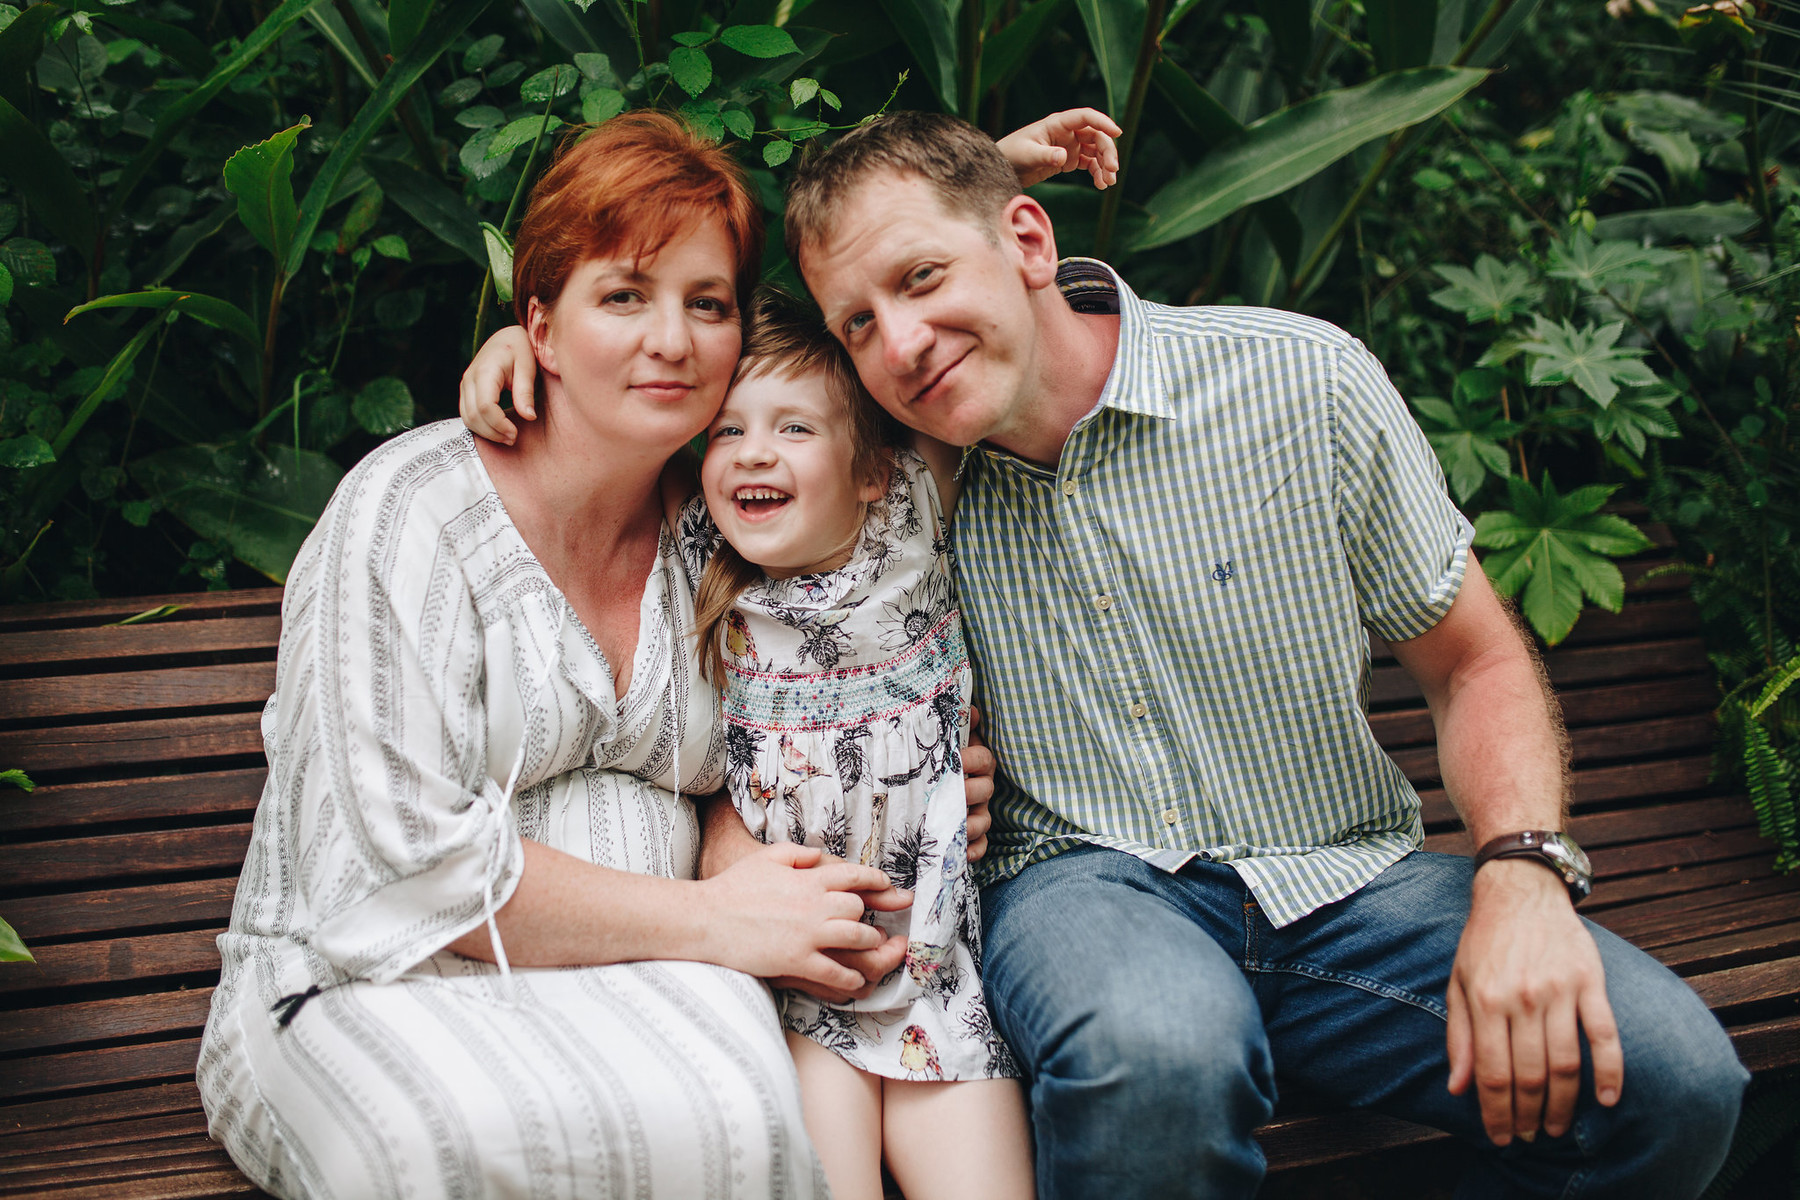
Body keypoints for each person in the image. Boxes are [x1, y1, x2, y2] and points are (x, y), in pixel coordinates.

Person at [460, 110, 1749, 1199]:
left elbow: (1478, 663)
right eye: (860, 323)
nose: (898, 345)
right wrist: (542, 346)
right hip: (1090, 893)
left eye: (920, 283)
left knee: (1677, 1079)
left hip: (1346, 880)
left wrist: (1521, 877)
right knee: (1157, 1052)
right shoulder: (897, 474)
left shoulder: (1299, 386)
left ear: (1027, 238)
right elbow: (709, 389)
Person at [201, 107, 1117, 1199]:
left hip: (668, 985)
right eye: (623, 297)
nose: (673, 342)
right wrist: (715, 917)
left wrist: (896, 787)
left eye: (708, 304)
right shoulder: (412, 511)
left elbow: (819, 656)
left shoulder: (723, 541)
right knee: (452, 1148)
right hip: (375, 983)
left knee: (739, 1126)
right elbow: (398, 868)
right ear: (538, 328)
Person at [682, 292, 1030, 1200]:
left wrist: (1002, 185)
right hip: (796, 986)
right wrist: (518, 346)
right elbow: (597, 418)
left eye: (793, 426)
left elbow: (961, 332)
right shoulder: (699, 566)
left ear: (870, 468)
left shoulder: (910, 509)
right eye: (725, 432)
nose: (753, 450)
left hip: (939, 973)